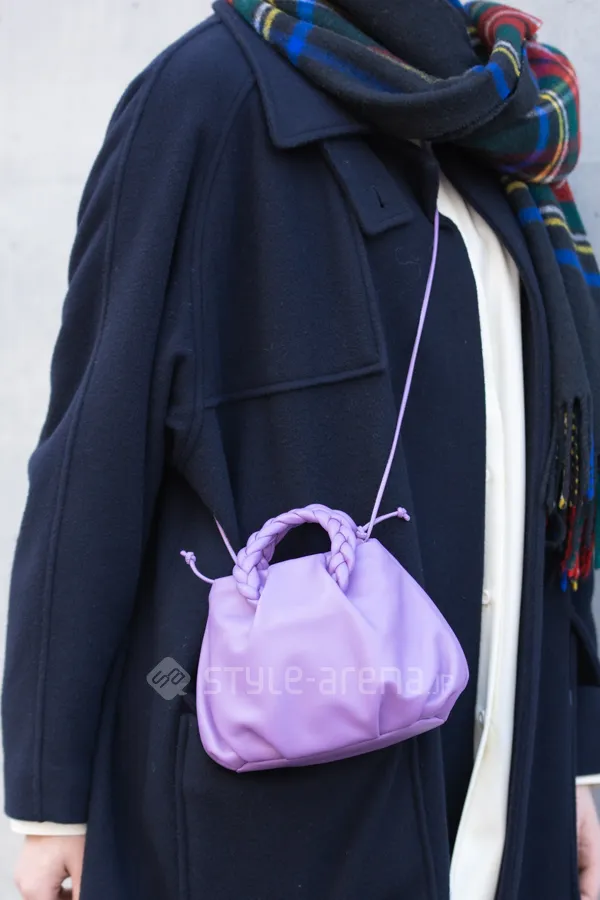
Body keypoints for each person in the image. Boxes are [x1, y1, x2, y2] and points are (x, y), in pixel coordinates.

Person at [4, 0, 600, 898]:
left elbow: (560, 477)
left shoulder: (499, 124)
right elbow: (93, 458)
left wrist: (576, 756)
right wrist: (51, 802)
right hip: (276, 812)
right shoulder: (207, 99)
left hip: (509, 777)